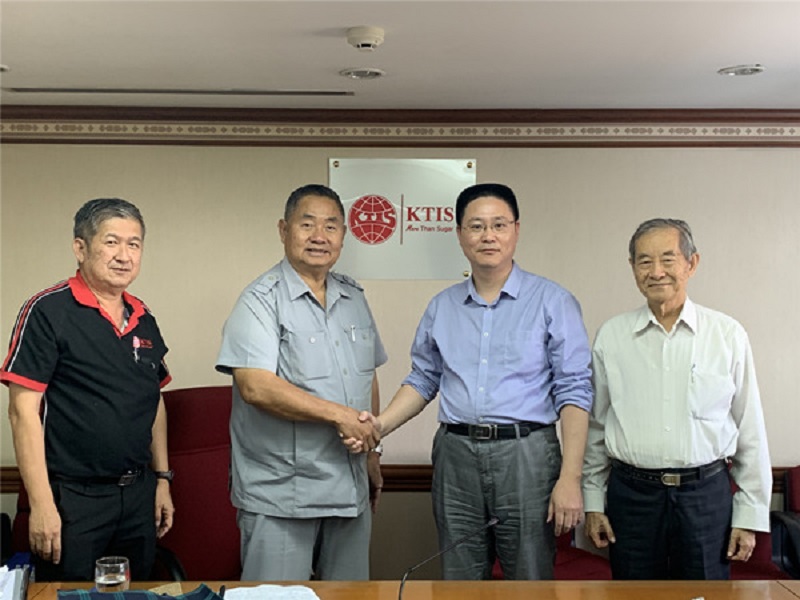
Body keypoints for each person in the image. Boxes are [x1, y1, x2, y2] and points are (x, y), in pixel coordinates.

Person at [352, 183, 593, 580]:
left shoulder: (553, 301)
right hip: (456, 454)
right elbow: (423, 379)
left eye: (499, 224)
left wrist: (570, 477)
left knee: (529, 579)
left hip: (527, 455)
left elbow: (574, 390)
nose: (488, 236)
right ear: (460, 234)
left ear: (516, 230)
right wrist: (379, 427)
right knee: (459, 577)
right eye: (477, 226)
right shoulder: (442, 306)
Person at [582, 218, 772, 580]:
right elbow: (596, 427)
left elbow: (750, 428)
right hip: (632, 498)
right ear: (632, 268)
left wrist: (749, 516)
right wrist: (593, 502)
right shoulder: (612, 336)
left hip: (706, 496)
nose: (656, 272)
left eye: (668, 259)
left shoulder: (726, 335)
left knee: (703, 596)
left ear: (691, 263)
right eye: (644, 261)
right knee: (634, 596)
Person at [215, 184, 386, 581]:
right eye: (307, 224)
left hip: (350, 488)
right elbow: (255, 386)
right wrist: (339, 415)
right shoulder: (260, 300)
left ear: (343, 235)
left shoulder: (354, 297)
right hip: (282, 495)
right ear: (284, 230)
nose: (319, 236)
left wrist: (373, 453)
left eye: (331, 226)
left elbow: (367, 378)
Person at [2, 198, 174, 581]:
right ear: (80, 248)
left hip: (138, 494)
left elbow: (154, 401)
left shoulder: (143, 317)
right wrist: (42, 504)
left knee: (136, 591)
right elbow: (21, 412)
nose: (124, 255)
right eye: (112, 242)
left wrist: (162, 479)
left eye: (134, 244)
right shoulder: (47, 311)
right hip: (74, 499)